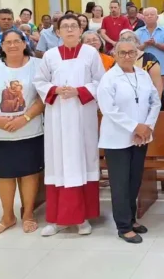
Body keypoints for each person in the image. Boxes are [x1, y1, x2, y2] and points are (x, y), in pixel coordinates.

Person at [34, 15, 105, 237]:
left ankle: (82, 218)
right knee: (59, 163)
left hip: (83, 116)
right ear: (58, 32)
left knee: (82, 160)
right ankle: (57, 219)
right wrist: (55, 90)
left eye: (74, 26)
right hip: (58, 117)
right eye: (65, 27)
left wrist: (79, 91)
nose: (70, 30)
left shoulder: (90, 53)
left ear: (80, 29)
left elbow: (100, 81)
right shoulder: (50, 55)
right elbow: (40, 81)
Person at [0, 28, 45, 235]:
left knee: (29, 173)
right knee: (4, 175)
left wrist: (24, 118)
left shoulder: (38, 65)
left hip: (30, 129)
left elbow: (43, 97)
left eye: (17, 41)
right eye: (8, 42)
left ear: (25, 43)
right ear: (2, 46)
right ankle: (7, 216)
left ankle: (28, 215)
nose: (13, 45)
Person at [97, 39, 160, 244]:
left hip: (140, 138)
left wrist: (147, 126)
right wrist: (136, 127)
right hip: (117, 139)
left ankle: (131, 219)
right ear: (115, 54)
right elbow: (109, 110)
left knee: (134, 181)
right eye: (122, 53)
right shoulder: (109, 78)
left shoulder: (142, 75)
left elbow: (155, 101)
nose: (127, 56)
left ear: (136, 54)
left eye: (131, 52)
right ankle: (123, 226)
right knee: (120, 183)